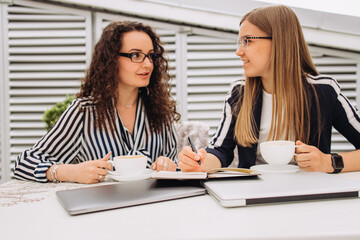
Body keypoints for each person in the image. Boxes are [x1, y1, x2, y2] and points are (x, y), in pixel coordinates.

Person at [178, 5, 360, 173]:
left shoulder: (323, 91)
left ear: (279, 42)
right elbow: (219, 152)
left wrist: (328, 162)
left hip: (309, 196)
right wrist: (199, 163)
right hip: (253, 196)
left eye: (247, 41)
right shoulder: (238, 94)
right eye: (239, 42)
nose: (239, 51)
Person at [14, 21, 180, 183]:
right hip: (100, 208)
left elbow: (175, 167)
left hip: (153, 206)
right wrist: (71, 171)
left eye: (151, 55)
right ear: (111, 60)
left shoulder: (160, 112)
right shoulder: (83, 113)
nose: (148, 64)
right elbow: (24, 163)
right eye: (136, 55)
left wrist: (170, 166)